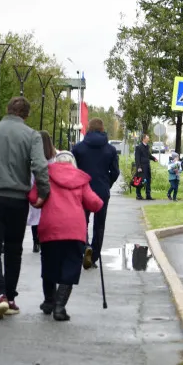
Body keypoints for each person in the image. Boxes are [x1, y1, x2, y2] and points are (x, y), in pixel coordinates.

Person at [0, 96, 50, 320]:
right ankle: (11, 299)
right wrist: (43, 193)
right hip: (17, 200)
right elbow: (40, 165)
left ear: (7, 110)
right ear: (26, 115)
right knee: (14, 249)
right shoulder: (32, 135)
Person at [28, 151, 104, 322]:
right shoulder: (80, 179)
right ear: (73, 163)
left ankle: (49, 302)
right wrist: (99, 203)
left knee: (49, 265)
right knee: (71, 265)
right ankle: (60, 307)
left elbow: (34, 197)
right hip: (74, 230)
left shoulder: (46, 175)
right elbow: (94, 203)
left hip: (50, 227)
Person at [71, 118, 120, 271]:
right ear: (102, 129)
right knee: (99, 225)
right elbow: (115, 172)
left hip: (81, 190)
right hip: (101, 191)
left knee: (81, 222)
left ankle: (84, 247)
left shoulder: (78, 149)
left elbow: (73, 170)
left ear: (88, 129)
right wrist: (107, 184)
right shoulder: (110, 150)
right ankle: (94, 256)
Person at [28, 131, 57, 254]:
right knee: (47, 216)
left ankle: (36, 242)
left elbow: (31, 178)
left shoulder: (35, 158)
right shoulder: (54, 158)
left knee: (36, 217)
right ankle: (45, 240)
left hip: (37, 189)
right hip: (51, 191)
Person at [133, 134, 156, 200]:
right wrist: (139, 167)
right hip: (141, 167)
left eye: (148, 138)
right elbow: (137, 158)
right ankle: (138, 195)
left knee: (148, 180)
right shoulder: (139, 147)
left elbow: (148, 155)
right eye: (147, 138)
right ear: (143, 139)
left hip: (147, 166)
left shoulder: (147, 147)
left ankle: (148, 195)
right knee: (140, 181)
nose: (148, 139)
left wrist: (154, 158)